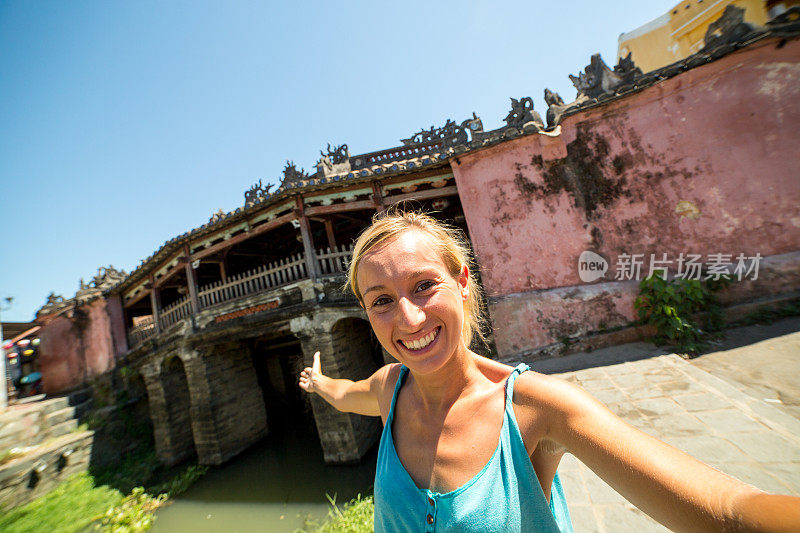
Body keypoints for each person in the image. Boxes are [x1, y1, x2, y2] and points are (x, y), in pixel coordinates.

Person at [299, 209, 800, 532]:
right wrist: (317, 382)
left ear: (463, 282)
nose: (407, 318)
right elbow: (346, 393)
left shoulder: (538, 408)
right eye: (381, 300)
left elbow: (730, 511)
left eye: (424, 285)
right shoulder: (390, 389)